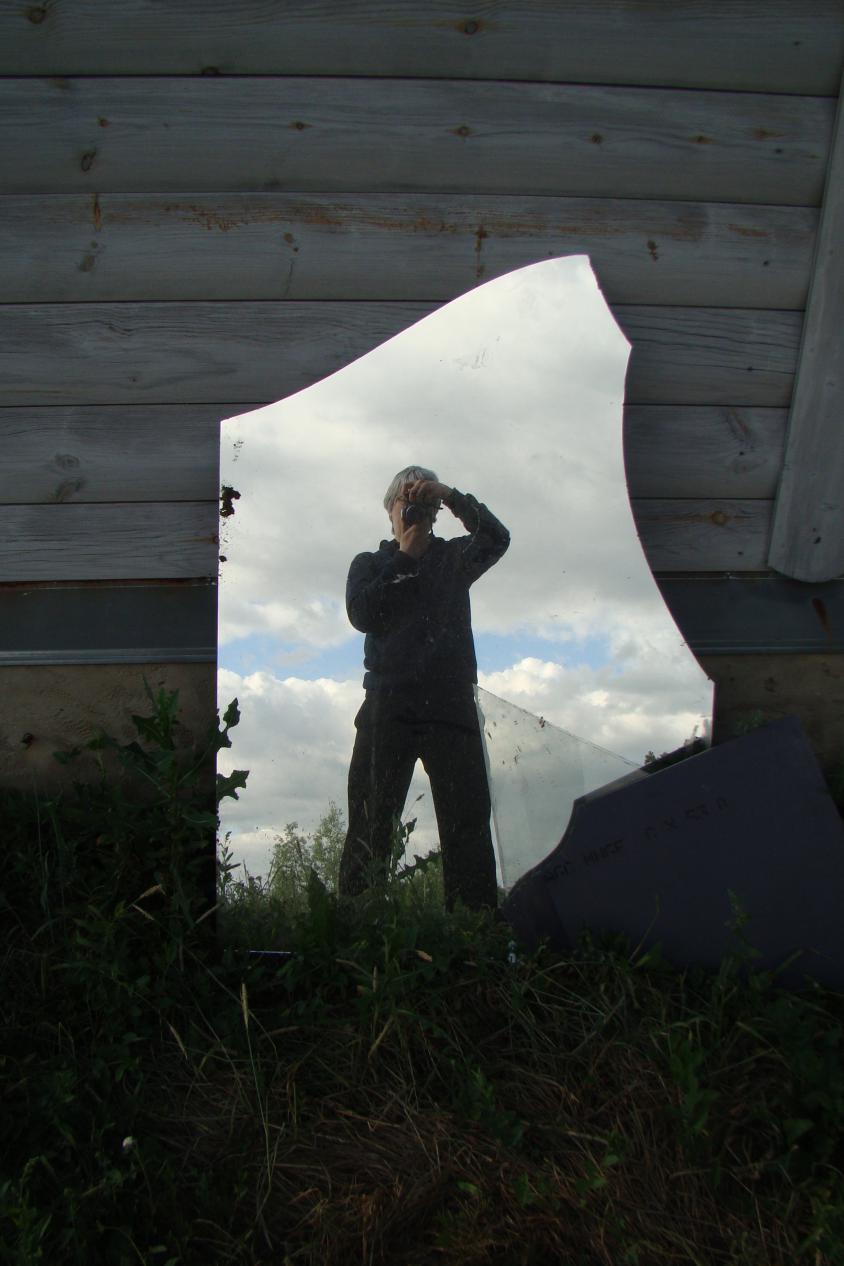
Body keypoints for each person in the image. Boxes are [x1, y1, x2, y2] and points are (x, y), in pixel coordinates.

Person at [338, 465, 510, 909]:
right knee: (370, 823)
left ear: (435, 513)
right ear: (390, 510)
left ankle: (473, 928)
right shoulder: (369, 564)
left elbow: (497, 538)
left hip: (450, 704)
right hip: (387, 704)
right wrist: (406, 558)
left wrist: (450, 495)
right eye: (407, 501)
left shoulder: (453, 558)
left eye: (424, 504)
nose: (414, 511)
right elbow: (363, 615)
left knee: (467, 823)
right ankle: (357, 924)